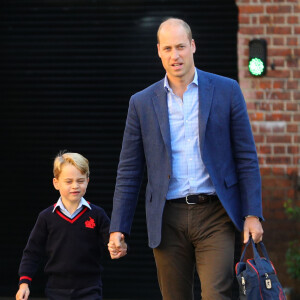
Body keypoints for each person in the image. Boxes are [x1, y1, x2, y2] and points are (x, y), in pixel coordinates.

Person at [108, 18, 264, 300]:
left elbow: (246, 157)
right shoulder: (141, 103)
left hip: (215, 213)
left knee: (218, 294)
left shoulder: (227, 90)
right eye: (167, 48)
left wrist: (252, 213)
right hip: (168, 217)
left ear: (192, 46)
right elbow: (129, 170)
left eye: (180, 46)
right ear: (158, 51)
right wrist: (118, 227)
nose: (175, 55)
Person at [16, 152, 115, 300]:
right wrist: (24, 283)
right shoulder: (46, 217)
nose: (75, 186)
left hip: (90, 288)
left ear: (87, 181)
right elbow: (32, 252)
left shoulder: (97, 214)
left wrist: (117, 245)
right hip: (56, 289)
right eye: (68, 181)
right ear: (56, 183)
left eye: (80, 180)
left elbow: (112, 240)